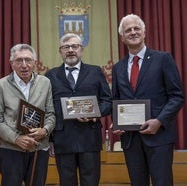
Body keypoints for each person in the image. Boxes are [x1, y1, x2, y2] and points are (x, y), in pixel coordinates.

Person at [112, 14, 184, 186]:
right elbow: (116, 99)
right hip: (131, 139)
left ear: (144, 33)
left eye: (137, 28)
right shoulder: (118, 67)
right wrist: (118, 122)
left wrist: (159, 121)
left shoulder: (163, 59)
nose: (133, 32)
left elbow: (177, 96)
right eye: (128, 30)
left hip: (159, 137)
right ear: (122, 38)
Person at [45, 33, 112, 186]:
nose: (70, 50)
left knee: (91, 182)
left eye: (74, 46)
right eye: (66, 47)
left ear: (81, 49)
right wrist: (50, 140)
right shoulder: (51, 75)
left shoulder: (95, 72)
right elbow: (47, 108)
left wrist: (95, 114)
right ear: (60, 51)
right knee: (66, 182)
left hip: (89, 137)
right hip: (62, 139)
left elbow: (108, 100)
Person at [0, 43, 55, 186]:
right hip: (11, 149)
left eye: (28, 60)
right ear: (11, 63)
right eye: (19, 60)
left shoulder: (45, 83)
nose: (24, 65)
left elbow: (51, 114)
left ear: (35, 62)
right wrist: (16, 138)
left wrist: (45, 130)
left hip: (38, 148)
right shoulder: (1, 85)